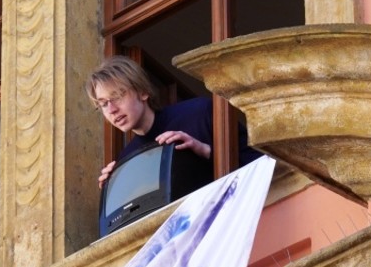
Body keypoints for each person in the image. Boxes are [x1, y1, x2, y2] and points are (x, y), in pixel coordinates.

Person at [85, 55, 258, 186]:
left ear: (143, 92)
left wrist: (205, 151)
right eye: (103, 104)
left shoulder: (200, 112)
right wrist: (113, 191)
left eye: (117, 96)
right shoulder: (126, 160)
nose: (111, 109)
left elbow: (263, 163)